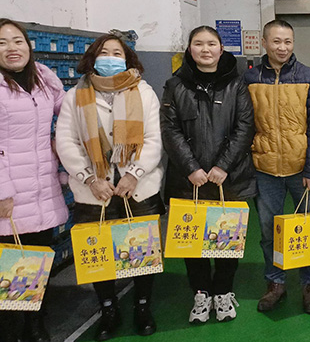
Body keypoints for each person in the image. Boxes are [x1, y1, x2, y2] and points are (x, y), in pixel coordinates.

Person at [56, 34, 164, 340]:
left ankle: (142, 306)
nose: (111, 58)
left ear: (127, 59)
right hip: (93, 192)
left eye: (118, 53)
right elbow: (66, 141)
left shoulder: (143, 92)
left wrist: (133, 174)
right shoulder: (75, 96)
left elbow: (154, 139)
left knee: (141, 251)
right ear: (93, 57)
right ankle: (108, 309)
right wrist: (90, 179)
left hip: (138, 189)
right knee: (100, 255)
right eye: (104, 52)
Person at [161, 26, 256, 323]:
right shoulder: (175, 85)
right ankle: (201, 293)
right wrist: (191, 168)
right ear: (189, 49)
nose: (205, 49)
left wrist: (223, 166)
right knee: (193, 241)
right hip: (188, 180)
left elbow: (245, 127)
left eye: (211, 44)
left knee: (227, 237)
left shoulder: (237, 84)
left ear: (221, 49)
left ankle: (223, 291)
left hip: (229, 178)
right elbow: (170, 130)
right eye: (199, 44)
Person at [243, 19, 310, 315]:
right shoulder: (250, 78)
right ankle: (275, 282)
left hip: (302, 169)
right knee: (269, 231)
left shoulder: (309, 77)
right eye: (276, 41)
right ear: (264, 42)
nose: (282, 47)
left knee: (309, 229)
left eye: (288, 41)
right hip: (265, 168)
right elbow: (244, 124)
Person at [0, 18, 67, 342]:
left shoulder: (42, 77)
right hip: (9, 193)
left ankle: (35, 325)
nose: (11, 48)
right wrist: (2, 191)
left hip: (42, 188)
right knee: (10, 267)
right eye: (1, 43)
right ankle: (12, 330)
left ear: (29, 46)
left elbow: (67, 113)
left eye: (17, 41)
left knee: (38, 261)